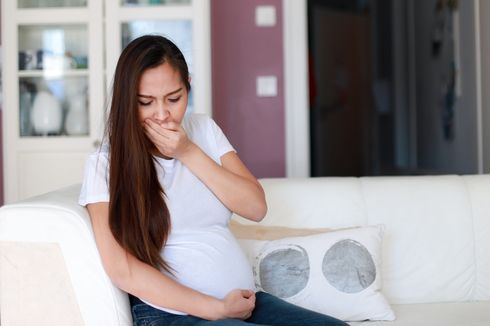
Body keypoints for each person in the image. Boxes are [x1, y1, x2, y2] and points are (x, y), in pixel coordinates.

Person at [79, 34, 348, 326]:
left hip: (245, 304)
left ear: (188, 86)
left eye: (174, 98)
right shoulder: (104, 166)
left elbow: (255, 207)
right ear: (127, 100)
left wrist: (188, 152)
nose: (162, 115)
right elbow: (122, 269)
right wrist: (217, 309)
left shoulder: (203, 130)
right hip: (172, 314)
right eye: (146, 102)